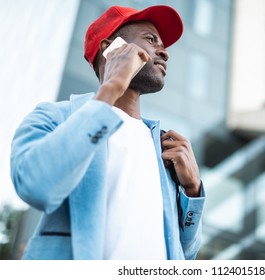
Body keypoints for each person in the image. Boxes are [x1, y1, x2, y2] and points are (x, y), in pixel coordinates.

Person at [10, 5, 205, 260]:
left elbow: (186, 253)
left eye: (163, 44)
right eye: (150, 39)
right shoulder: (56, 118)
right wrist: (112, 87)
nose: (165, 52)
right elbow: (36, 186)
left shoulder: (164, 148)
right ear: (110, 49)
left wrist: (192, 190)